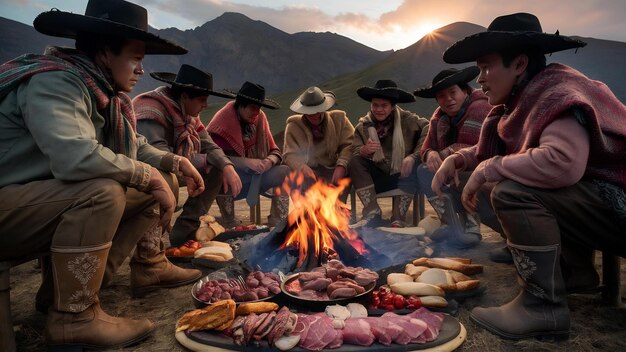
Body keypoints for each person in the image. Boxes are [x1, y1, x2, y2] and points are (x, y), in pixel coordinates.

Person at [0, 0, 206, 349]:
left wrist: (172, 163)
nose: (141, 69)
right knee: (103, 192)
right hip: (9, 201)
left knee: (157, 178)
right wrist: (147, 175)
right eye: (135, 57)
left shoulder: (100, 91)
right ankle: (73, 317)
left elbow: (135, 146)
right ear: (105, 51)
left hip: (35, 200)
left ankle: (72, 290)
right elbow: (74, 156)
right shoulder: (54, 83)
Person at [434, 12, 626, 340]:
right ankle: (573, 272)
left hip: (619, 205)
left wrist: (488, 168)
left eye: (486, 67)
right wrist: (459, 161)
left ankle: (542, 308)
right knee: (485, 183)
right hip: (598, 202)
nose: (480, 79)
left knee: (513, 191)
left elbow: (562, 161)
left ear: (519, 63)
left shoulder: (557, 93)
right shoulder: (525, 98)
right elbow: (513, 153)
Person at [134, 64, 243, 247]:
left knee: (216, 166)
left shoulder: (188, 115)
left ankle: (186, 230)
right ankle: (149, 248)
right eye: (202, 100)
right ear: (185, 96)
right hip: (142, 170)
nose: (206, 105)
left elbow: (208, 144)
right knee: (167, 176)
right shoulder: (151, 109)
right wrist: (190, 167)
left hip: (175, 165)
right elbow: (156, 154)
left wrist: (227, 166)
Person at [412, 67, 499, 249]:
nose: (448, 99)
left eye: (453, 92)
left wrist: (446, 156)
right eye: (442, 96)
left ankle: (471, 223)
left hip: (487, 169)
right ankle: (451, 223)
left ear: (465, 91)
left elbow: (478, 149)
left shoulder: (481, 107)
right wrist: (431, 153)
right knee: (424, 170)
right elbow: (426, 147)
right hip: (454, 166)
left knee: (461, 173)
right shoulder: (439, 118)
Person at [206, 81, 290, 227]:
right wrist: (246, 162)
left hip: (257, 177)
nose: (256, 112)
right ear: (240, 104)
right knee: (218, 173)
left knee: (285, 171)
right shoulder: (223, 122)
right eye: (252, 107)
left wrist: (268, 161)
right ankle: (229, 222)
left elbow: (275, 151)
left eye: (258, 108)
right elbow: (211, 156)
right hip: (232, 182)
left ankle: (278, 222)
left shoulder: (260, 118)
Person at [349, 80, 430, 227]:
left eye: (384, 105)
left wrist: (414, 156)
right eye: (375, 105)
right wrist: (363, 151)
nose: (378, 109)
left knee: (413, 168)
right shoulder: (363, 126)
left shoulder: (409, 121)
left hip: (403, 176)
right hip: (375, 180)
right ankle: (373, 213)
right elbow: (354, 149)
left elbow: (428, 130)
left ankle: (398, 219)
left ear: (392, 107)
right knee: (355, 162)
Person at [283, 86, 354, 201]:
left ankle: (337, 208)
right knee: (297, 177)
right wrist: (302, 167)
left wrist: (341, 165)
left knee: (351, 166)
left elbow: (350, 145)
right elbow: (290, 155)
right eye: (310, 112)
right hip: (309, 171)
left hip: (332, 168)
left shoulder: (339, 119)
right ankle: (309, 212)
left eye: (318, 111)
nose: (315, 115)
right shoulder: (293, 126)